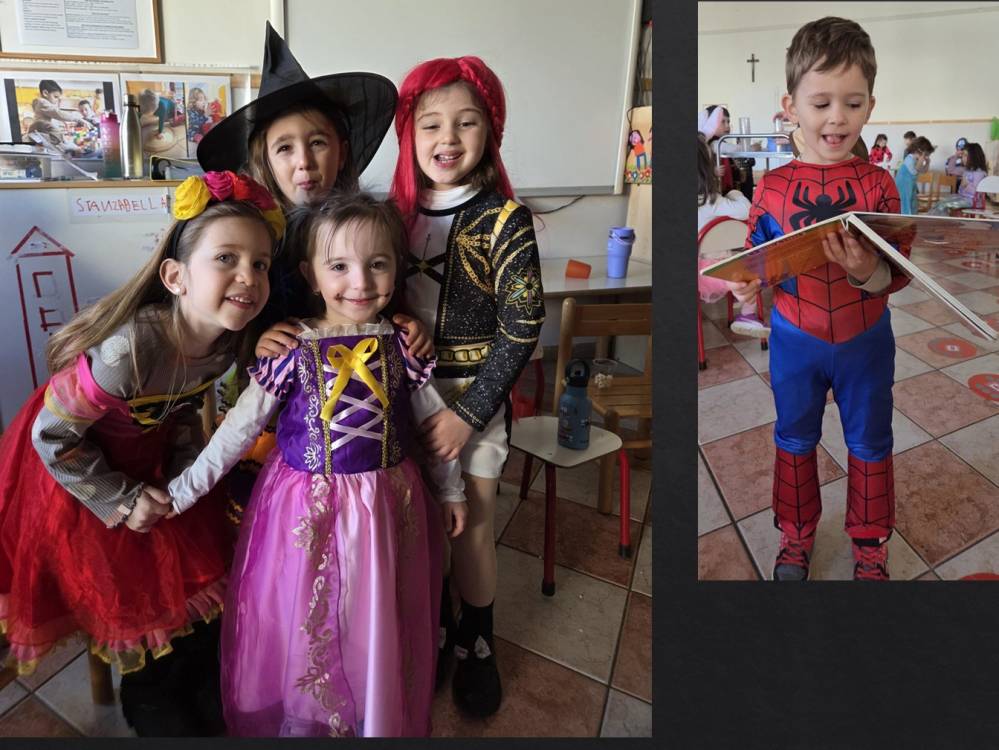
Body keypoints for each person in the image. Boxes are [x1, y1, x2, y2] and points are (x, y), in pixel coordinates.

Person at [166, 191, 468, 737]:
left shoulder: (402, 345)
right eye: (339, 266)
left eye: (378, 264)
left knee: (376, 608)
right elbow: (238, 428)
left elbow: (434, 426)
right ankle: (310, 712)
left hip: (385, 506)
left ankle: (371, 705)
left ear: (397, 267)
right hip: (306, 509)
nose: (361, 282)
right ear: (310, 274)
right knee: (308, 607)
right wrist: (185, 490)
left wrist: (451, 491)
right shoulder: (288, 348)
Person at [0, 172, 284, 735]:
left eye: (260, 264)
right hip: (76, 471)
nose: (248, 277)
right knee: (132, 580)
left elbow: (177, 412)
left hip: (148, 457)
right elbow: (52, 437)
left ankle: (198, 676)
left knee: (200, 552)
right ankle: (149, 693)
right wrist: (125, 500)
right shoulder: (128, 350)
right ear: (176, 277)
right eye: (226, 258)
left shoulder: (223, 344)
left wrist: (181, 474)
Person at [196, 22, 429, 529]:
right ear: (265, 160)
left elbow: (381, 300)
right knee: (280, 529)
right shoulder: (253, 236)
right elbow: (222, 312)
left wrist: (408, 325)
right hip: (274, 414)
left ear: (341, 149)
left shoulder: (370, 226)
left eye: (317, 142)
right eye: (285, 148)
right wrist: (256, 340)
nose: (304, 162)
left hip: (361, 425)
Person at [389, 56, 546, 717]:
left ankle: (477, 640)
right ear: (409, 132)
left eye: (466, 122)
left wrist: (471, 414)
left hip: (472, 403)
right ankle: (432, 626)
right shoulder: (391, 217)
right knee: (415, 526)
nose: (447, 139)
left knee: (472, 526)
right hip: (400, 400)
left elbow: (522, 325)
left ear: (491, 131)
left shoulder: (504, 219)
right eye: (430, 124)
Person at [738, 16, 911, 581]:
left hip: (866, 337)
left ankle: (870, 543)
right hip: (795, 338)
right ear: (790, 106)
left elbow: (899, 273)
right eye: (820, 103)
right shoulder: (770, 187)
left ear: (870, 105)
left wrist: (867, 271)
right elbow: (757, 260)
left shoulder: (880, 185)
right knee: (793, 438)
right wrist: (745, 282)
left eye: (852, 103)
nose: (837, 117)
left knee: (871, 441)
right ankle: (795, 534)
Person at [697, 135, 767, 337]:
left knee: (741, 272)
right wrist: (734, 194)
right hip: (712, 271)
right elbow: (746, 210)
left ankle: (738, 292)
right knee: (750, 271)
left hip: (701, 273)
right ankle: (747, 314)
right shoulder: (712, 201)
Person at [929, 141, 988, 215]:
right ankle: (932, 219)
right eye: (963, 155)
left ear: (974, 157)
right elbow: (951, 170)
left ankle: (940, 221)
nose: (963, 158)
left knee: (943, 205)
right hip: (962, 198)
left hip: (973, 202)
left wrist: (966, 184)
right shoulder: (966, 170)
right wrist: (955, 156)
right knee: (940, 203)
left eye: (966, 155)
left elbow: (977, 192)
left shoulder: (979, 173)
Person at [27, 79, 84, 151]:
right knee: (62, 143)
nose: (57, 100)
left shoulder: (44, 104)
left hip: (43, 132)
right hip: (43, 130)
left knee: (61, 141)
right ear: (45, 93)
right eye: (55, 97)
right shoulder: (42, 102)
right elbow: (58, 113)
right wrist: (77, 119)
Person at [895, 136, 935, 214]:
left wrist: (927, 163)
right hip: (903, 184)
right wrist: (921, 159)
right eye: (925, 154)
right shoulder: (909, 158)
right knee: (905, 202)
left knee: (913, 201)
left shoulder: (916, 160)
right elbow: (914, 171)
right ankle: (905, 217)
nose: (926, 156)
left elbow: (923, 171)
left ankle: (913, 215)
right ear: (919, 151)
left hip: (910, 184)